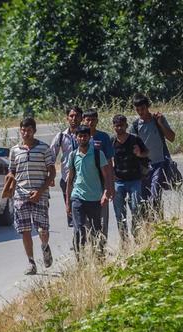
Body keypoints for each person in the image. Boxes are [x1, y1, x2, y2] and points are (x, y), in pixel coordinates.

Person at [8, 117, 56, 275]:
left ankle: (45, 246)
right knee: (25, 229)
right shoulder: (15, 150)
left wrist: (40, 191)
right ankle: (31, 262)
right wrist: (9, 179)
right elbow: (12, 170)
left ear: (34, 131)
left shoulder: (44, 148)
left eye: (28, 130)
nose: (25, 133)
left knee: (42, 229)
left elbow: (52, 172)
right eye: (23, 130)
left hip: (40, 195)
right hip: (21, 195)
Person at [65, 125, 113, 258]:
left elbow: (106, 175)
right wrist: (68, 202)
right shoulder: (73, 155)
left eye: (85, 136)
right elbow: (70, 180)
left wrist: (105, 193)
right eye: (79, 136)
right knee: (79, 229)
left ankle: (98, 257)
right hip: (77, 197)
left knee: (96, 230)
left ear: (89, 137)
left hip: (94, 199)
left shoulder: (98, 154)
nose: (82, 138)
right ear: (76, 137)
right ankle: (80, 259)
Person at [129, 93, 176, 220]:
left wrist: (160, 123)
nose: (140, 112)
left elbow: (171, 137)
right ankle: (149, 225)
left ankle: (159, 223)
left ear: (148, 106)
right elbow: (133, 147)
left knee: (155, 197)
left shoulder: (158, 119)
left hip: (159, 164)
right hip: (144, 167)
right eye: (137, 110)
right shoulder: (135, 126)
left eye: (143, 109)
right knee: (144, 199)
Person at [111, 114, 149, 245]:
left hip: (134, 180)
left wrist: (139, 153)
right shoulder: (112, 142)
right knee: (119, 213)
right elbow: (106, 160)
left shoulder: (135, 139)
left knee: (136, 209)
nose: (119, 128)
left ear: (126, 125)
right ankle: (124, 240)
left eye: (122, 125)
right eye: (117, 126)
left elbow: (146, 152)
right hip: (118, 182)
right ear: (113, 127)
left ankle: (137, 234)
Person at [81, 108, 115, 241]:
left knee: (101, 219)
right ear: (83, 120)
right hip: (84, 184)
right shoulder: (79, 137)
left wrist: (111, 186)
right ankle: (90, 249)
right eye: (87, 120)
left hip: (101, 184)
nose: (90, 123)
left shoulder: (103, 137)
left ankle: (101, 248)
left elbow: (109, 162)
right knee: (86, 222)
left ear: (97, 121)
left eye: (93, 120)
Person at [50, 106, 81, 227]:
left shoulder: (85, 135)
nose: (74, 119)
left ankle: (84, 240)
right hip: (67, 178)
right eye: (71, 116)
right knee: (71, 211)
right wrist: (50, 175)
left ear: (81, 118)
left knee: (83, 210)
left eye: (77, 116)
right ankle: (78, 240)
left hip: (84, 178)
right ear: (67, 118)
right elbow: (51, 155)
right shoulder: (61, 136)